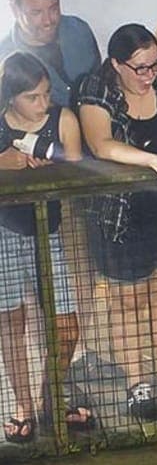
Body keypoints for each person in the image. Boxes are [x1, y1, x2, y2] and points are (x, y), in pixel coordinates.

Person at [78, 24, 157, 419]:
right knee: (127, 302)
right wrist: (152, 159)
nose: (150, 75)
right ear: (116, 64)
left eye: (155, 65)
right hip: (118, 215)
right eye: (140, 67)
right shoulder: (97, 89)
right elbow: (101, 144)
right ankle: (138, 384)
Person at [0, 51, 86, 442]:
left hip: (48, 230)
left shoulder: (62, 118)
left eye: (46, 94)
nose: (42, 104)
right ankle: (23, 406)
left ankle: (53, 394)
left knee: (67, 323)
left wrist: (51, 168)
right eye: (32, 97)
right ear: (11, 97)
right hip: (6, 231)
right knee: (11, 323)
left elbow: (77, 165)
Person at [0, 0, 99, 109]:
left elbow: (102, 83)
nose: (48, 21)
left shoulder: (80, 29)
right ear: (15, 9)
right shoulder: (4, 58)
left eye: (54, 8)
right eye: (36, 13)